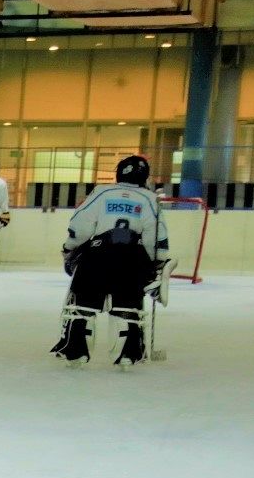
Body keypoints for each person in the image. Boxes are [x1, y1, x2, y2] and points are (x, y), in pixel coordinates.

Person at [51, 154, 170, 367]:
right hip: (132, 258)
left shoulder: (101, 192)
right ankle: (129, 352)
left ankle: (77, 348)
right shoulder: (150, 199)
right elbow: (156, 235)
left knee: (83, 303)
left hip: (97, 255)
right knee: (129, 305)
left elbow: (81, 224)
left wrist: (69, 247)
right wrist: (156, 263)